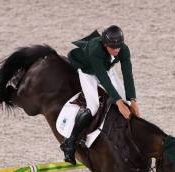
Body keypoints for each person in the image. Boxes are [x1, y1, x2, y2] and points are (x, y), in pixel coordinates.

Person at [60, 25, 140, 164]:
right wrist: (118, 102)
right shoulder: (95, 49)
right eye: (112, 47)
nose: (116, 50)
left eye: (118, 47)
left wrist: (132, 100)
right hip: (88, 72)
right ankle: (70, 142)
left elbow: (128, 74)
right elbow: (103, 78)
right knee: (94, 106)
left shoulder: (123, 49)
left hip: (107, 70)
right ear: (104, 44)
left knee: (128, 104)